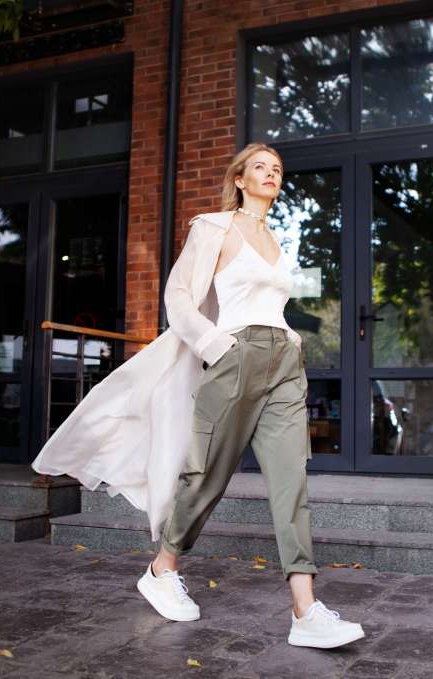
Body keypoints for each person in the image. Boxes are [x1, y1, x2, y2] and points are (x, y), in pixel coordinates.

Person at [135, 144, 364, 649]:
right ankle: (162, 567)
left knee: (291, 481)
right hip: (235, 356)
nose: (270, 173)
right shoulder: (213, 228)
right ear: (239, 179)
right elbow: (178, 295)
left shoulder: (277, 240)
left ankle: (305, 609)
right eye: (260, 166)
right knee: (209, 473)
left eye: (276, 169)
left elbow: (273, 303)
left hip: (283, 362)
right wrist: (214, 345)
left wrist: (292, 337)